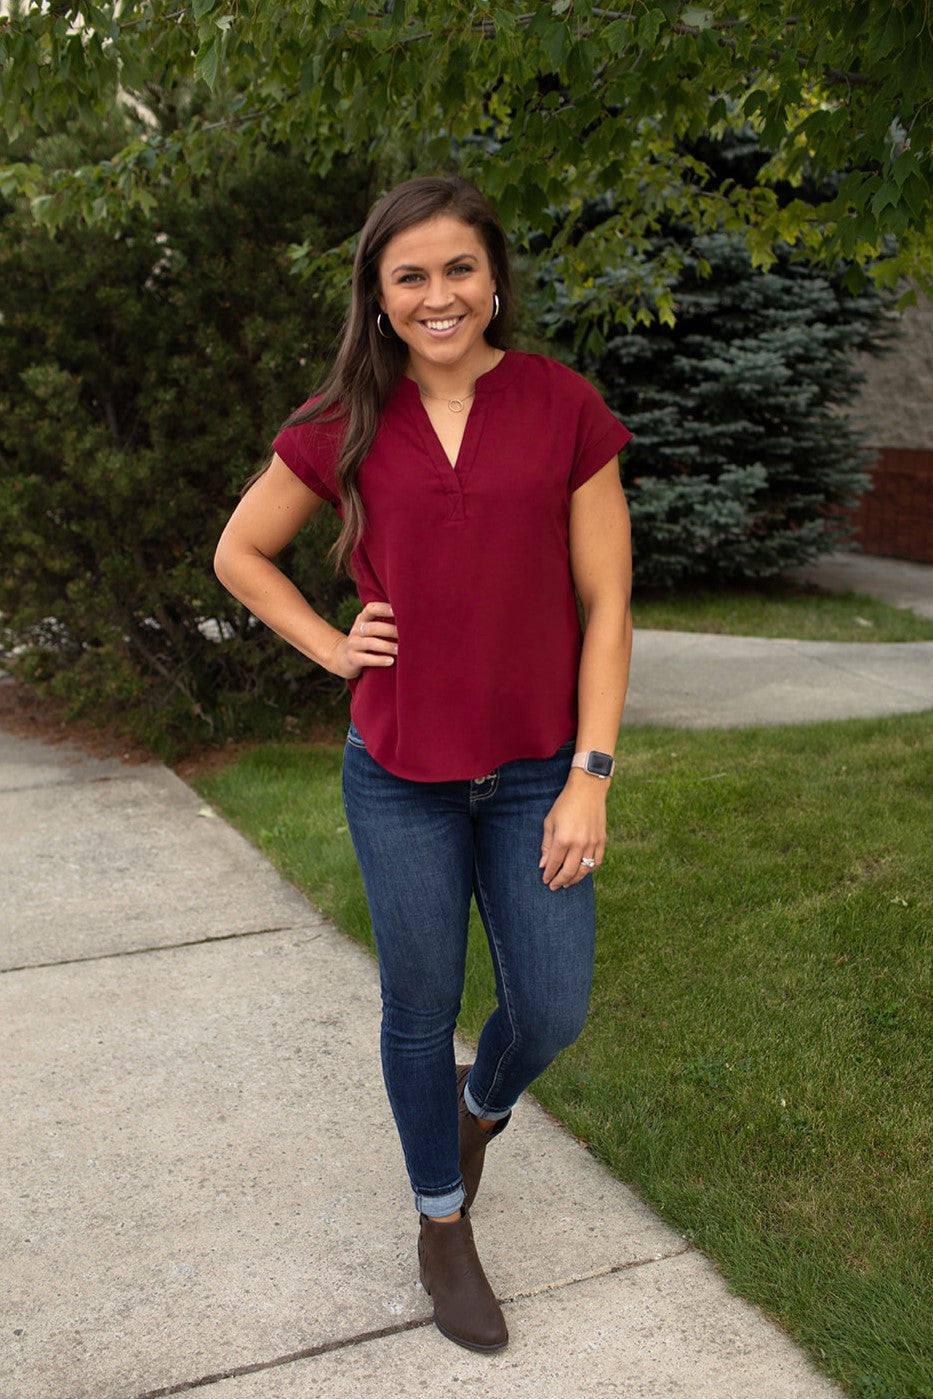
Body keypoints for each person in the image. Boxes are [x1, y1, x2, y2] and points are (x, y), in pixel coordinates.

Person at [213, 175, 633, 1354]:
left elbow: (609, 603)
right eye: (410, 275)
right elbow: (241, 552)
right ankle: (442, 1223)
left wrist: (591, 773)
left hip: (538, 767)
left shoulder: (561, 406)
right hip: (399, 771)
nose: (437, 294)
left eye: (458, 269)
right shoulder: (343, 418)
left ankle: (477, 1107)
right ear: (379, 293)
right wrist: (331, 645)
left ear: (494, 281)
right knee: (419, 1005)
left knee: (550, 1006)